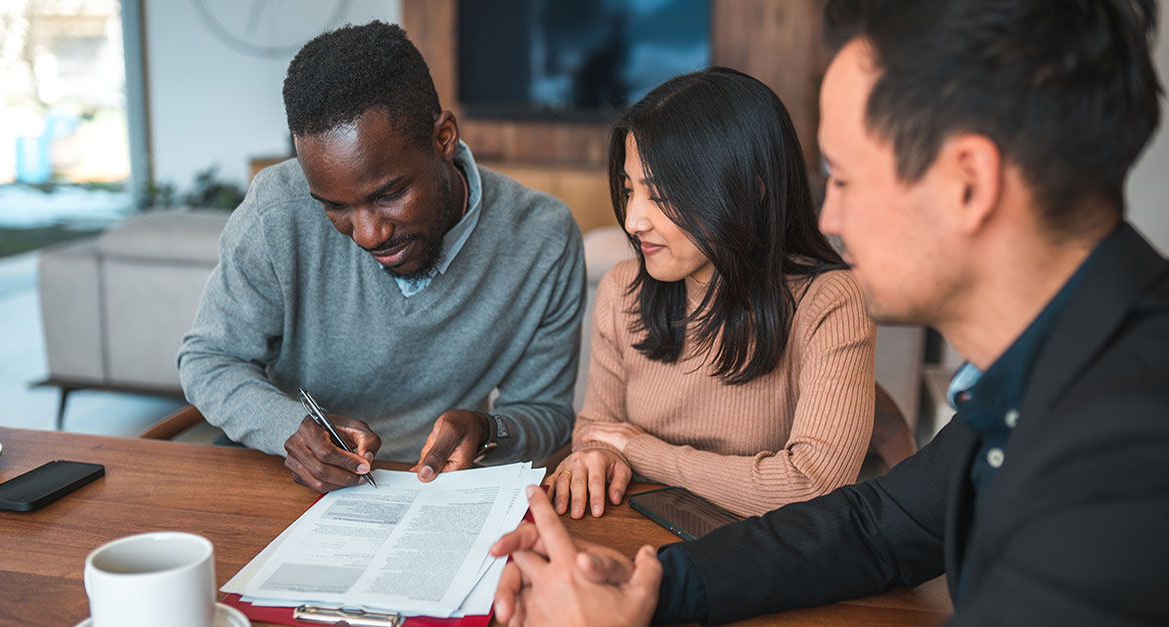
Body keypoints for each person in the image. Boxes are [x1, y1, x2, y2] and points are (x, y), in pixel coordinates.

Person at [490, 0, 1169, 624]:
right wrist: (654, 587)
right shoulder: (1047, 376)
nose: (830, 216)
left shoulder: (1126, 459)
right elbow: (875, 525)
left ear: (969, 182)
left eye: (842, 177)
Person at [177, 22, 585, 492]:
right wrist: (289, 427)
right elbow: (209, 358)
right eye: (335, 206)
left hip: (430, 492)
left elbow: (547, 414)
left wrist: (488, 430)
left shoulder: (542, 238)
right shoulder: (277, 211)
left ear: (444, 138)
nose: (369, 234)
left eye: (390, 193)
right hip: (284, 480)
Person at [547, 68, 875, 519]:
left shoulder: (831, 301)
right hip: (641, 537)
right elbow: (597, 434)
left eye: (660, 194)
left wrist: (643, 452)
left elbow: (812, 485)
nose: (633, 221)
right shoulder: (622, 289)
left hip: (762, 561)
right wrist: (595, 457)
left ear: (749, 191)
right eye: (629, 190)